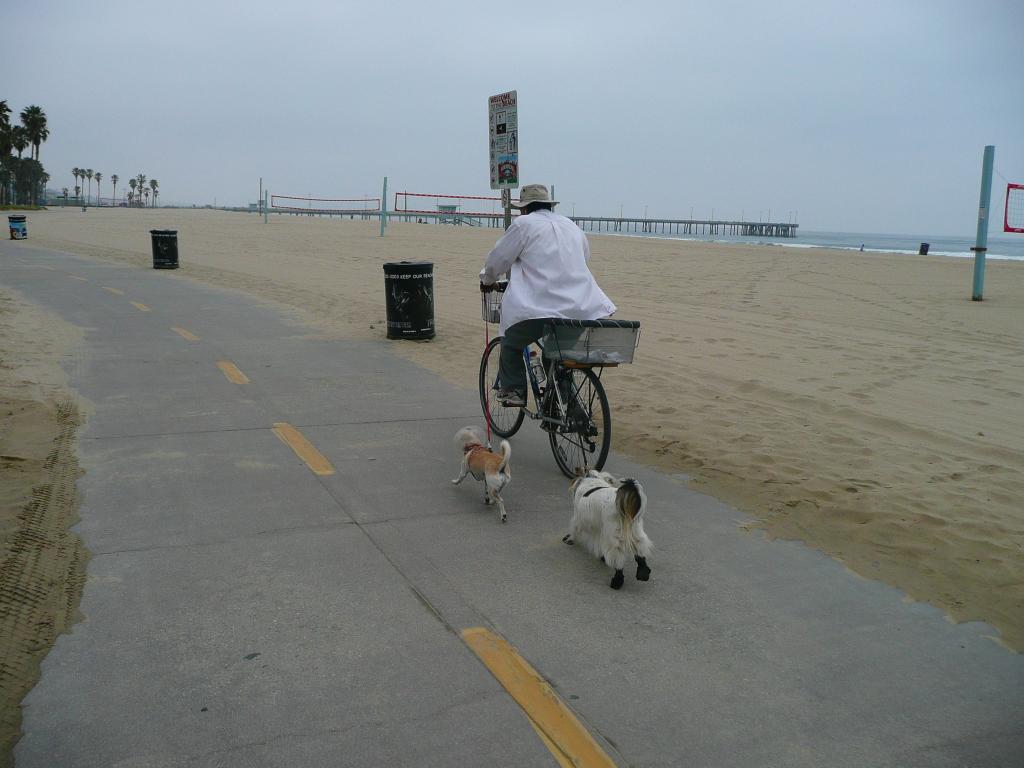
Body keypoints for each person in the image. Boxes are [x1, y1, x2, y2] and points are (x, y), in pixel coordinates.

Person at [480, 184, 616, 407]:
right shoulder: (572, 226)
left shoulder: (523, 225)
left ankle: (514, 391)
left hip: (539, 308)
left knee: (511, 343)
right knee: (557, 352)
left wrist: (487, 280)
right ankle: (562, 403)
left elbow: (498, 259)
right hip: (581, 307)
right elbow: (584, 258)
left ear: (524, 209)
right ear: (548, 205)